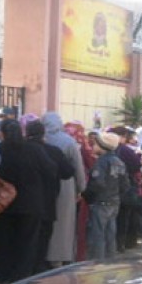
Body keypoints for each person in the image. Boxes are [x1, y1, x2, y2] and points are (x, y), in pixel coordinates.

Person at [0, 119, 57, 283]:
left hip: (4, 203)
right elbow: (51, 170)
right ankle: (21, 275)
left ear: (2, 134)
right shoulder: (34, 149)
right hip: (31, 202)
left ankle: (1, 274)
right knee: (27, 241)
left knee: (2, 239)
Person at [25, 120, 74, 273]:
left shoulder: (20, 149)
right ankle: (38, 267)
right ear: (43, 134)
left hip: (23, 200)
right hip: (47, 199)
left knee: (24, 235)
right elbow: (68, 172)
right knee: (43, 236)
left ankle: (23, 267)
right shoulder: (54, 151)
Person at [41, 112, 87, 266]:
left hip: (43, 185)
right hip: (65, 186)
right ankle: (59, 257)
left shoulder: (41, 139)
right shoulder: (68, 141)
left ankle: (43, 256)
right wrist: (81, 188)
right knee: (63, 223)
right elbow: (77, 167)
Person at [83, 132, 129, 260]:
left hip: (101, 202)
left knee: (97, 236)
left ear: (102, 146)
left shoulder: (101, 162)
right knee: (110, 235)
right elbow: (125, 185)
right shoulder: (119, 161)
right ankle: (110, 261)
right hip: (114, 202)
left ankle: (97, 263)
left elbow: (97, 183)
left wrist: (87, 196)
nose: (93, 146)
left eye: (95, 144)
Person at [63, 120, 96, 262]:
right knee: (79, 225)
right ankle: (77, 255)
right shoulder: (83, 146)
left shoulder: (59, 142)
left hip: (64, 188)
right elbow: (91, 164)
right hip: (80, 188)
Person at [109, 126, 142, 252]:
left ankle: (117, 243)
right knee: (124, 216)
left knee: (117, 217)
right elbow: (137, 164)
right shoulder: (124, 150)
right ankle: (122, 243)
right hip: (125, 186)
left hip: (112, 187)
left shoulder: (110, 149)